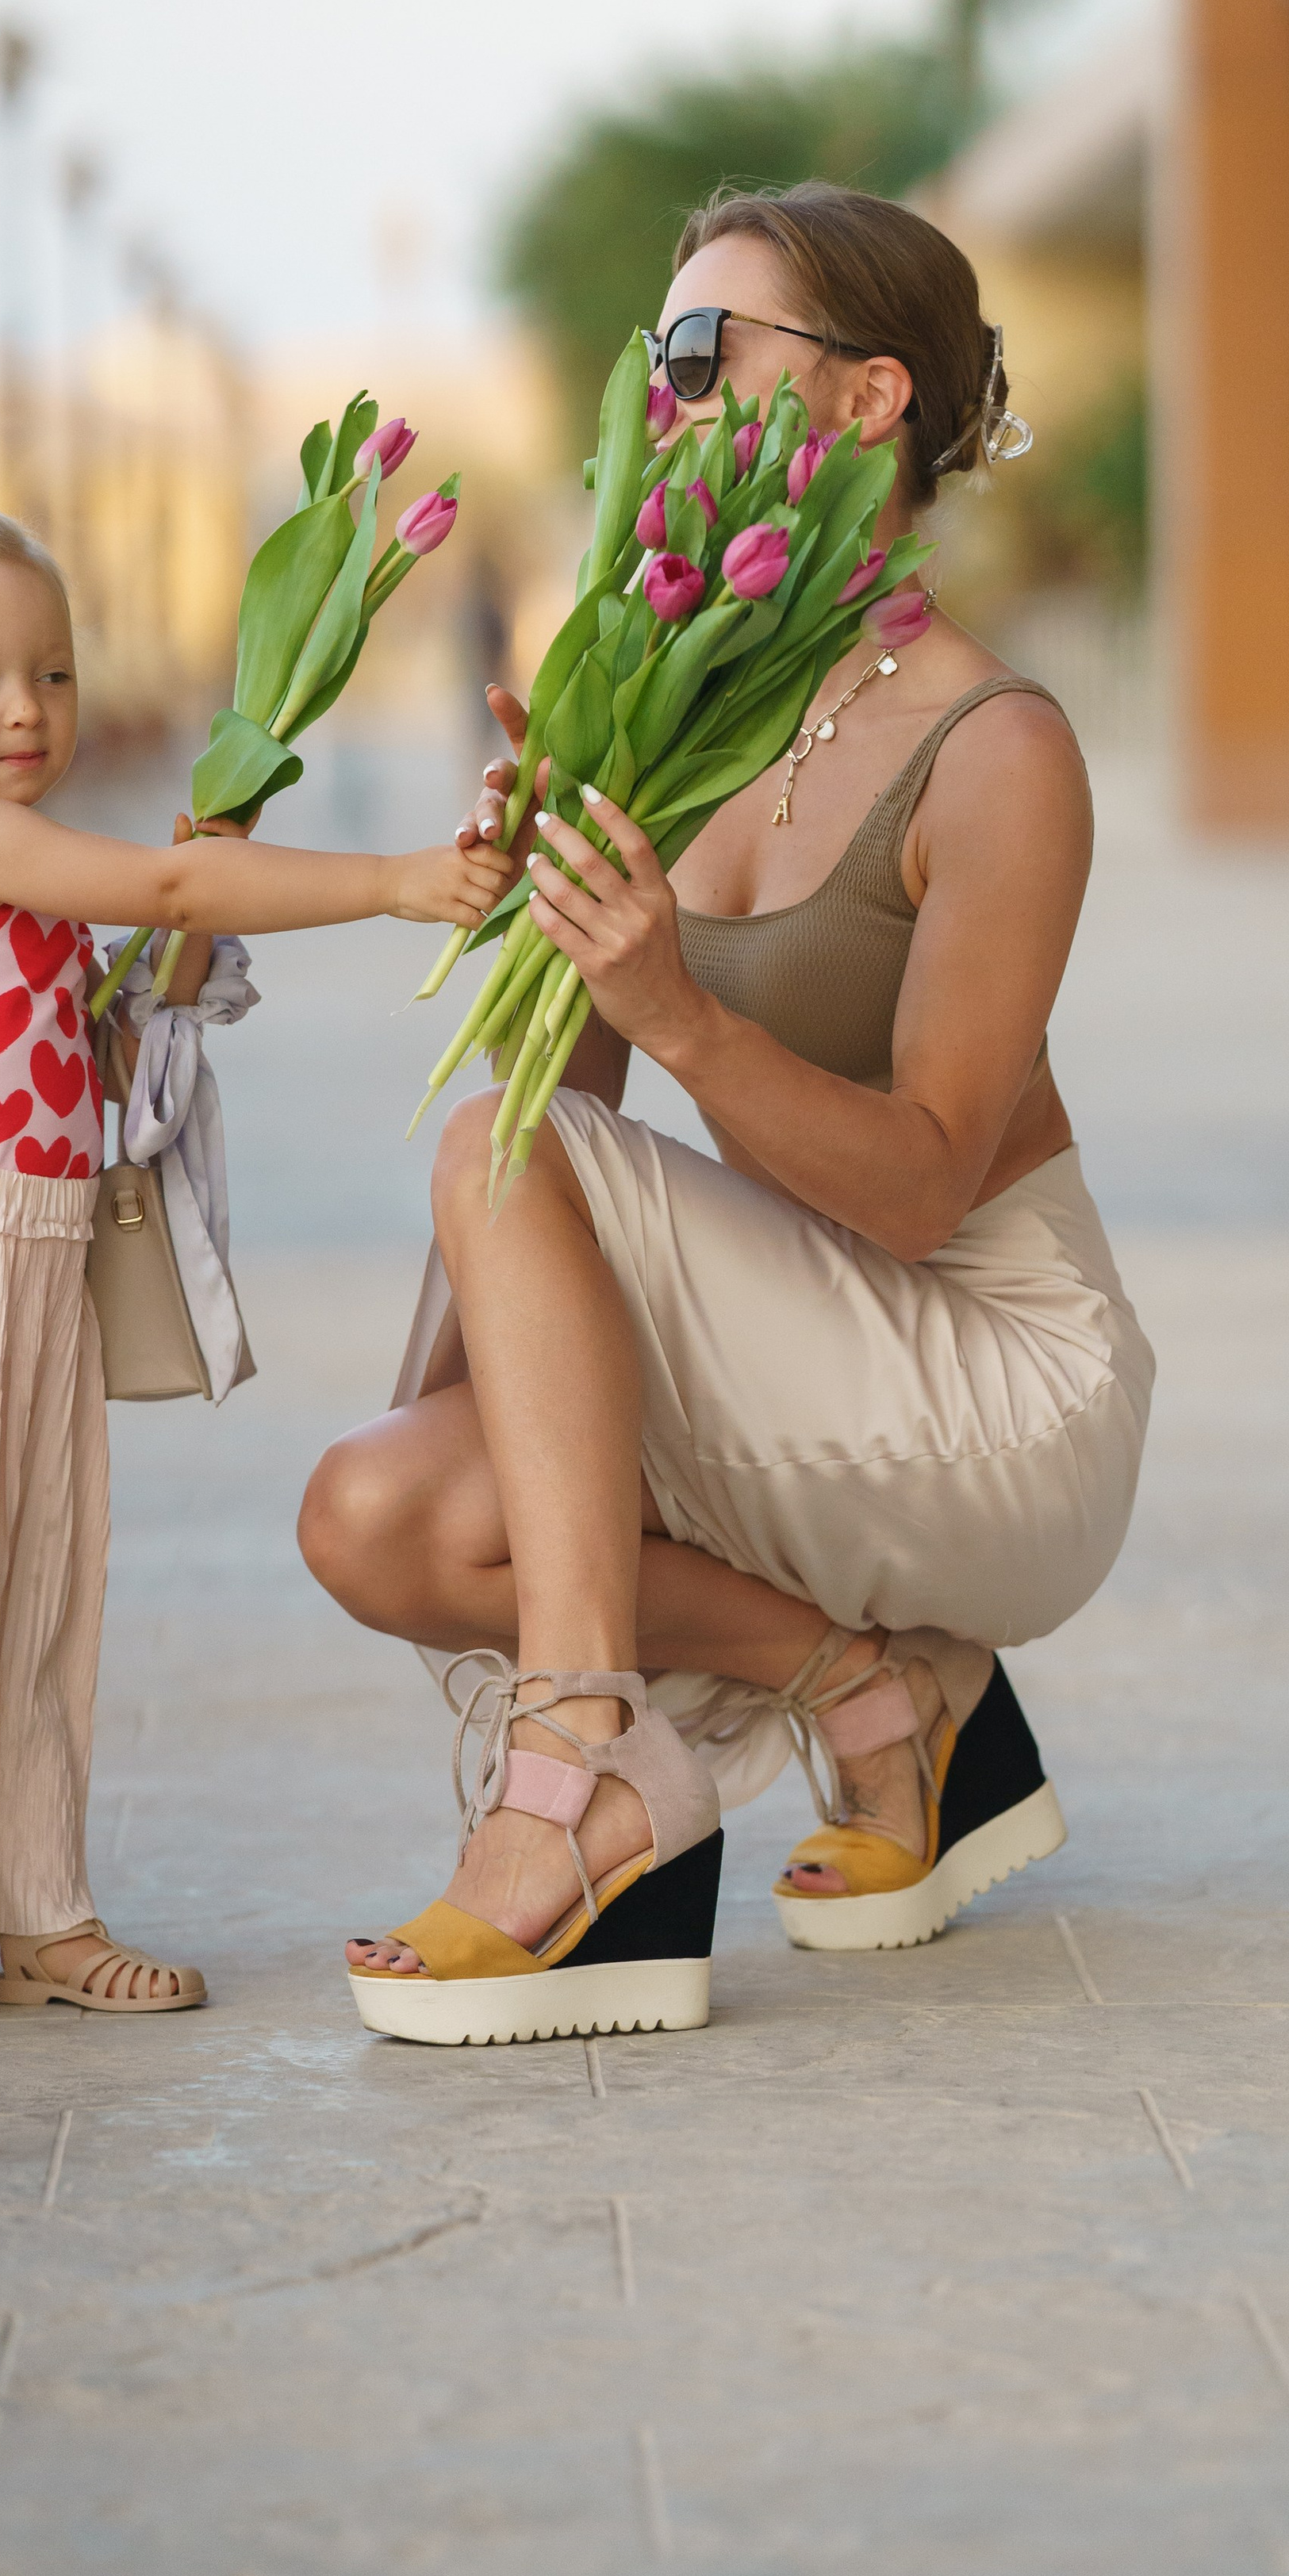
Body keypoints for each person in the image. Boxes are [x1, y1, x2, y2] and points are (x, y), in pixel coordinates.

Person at [301, 181, 1156, 2046]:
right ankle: (885, 1693)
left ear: (863, 401)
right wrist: (570, 963)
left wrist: (676, 1007)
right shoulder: (691, 703)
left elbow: (924, 1186)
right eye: (651, 361)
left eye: (701, 353)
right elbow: (554, 1119)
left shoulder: (993, 746)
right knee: (380, 1514)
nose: (661, 398)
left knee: (486, 1165)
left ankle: (586, 1789)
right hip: (819, 1356)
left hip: (1003, 1384)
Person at [0, 494, 513, 2026]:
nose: (29, 708)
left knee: (28, 1591)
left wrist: (217, 856)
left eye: (56, 673)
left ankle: (40, 1906)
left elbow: (140, 985)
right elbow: (155, 895)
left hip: (29, 1283)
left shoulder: (19, 874)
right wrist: (395, 880)